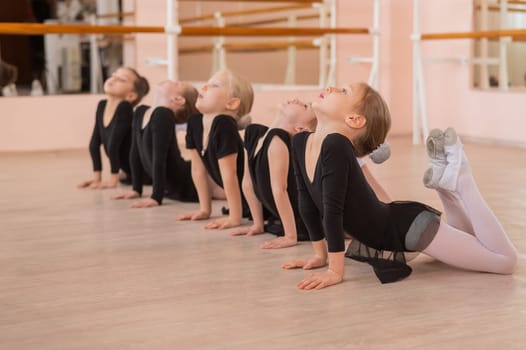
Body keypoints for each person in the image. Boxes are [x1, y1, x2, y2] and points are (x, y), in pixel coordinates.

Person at [283, 82, 518, 289]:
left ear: (354, 120)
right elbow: (307, 203)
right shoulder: (301, 142)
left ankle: (462, 180)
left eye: (344, 91)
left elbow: (332, 211)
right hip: (395, 225)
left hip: (409, 229)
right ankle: (445, 188)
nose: (331, 88)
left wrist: (335, 270)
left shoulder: (336, 144)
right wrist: (318, 255)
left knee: (506, 262)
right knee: (468, 239)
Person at [232, 98, 391, 249]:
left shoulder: (278, 140)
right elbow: (247, 184)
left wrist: (290, 236)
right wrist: (258, 224)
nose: (297, 100)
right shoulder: (254, 133)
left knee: (360, 225)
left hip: (304, 217)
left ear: (300, 129)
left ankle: (390, 217)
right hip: (292, 214)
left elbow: (280, 190)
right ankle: (388, 216)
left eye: (304, 106)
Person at [177, 69, 252, 229]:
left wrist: (234, 217)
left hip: (258, 197)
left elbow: (230, 175)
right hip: (243, 199)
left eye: (214, 85)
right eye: (207, 82)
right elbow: (198, 170)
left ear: (232, 103)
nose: (204, 87)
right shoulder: (195, 122)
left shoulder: (223, 124)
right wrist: (205, 209)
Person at [110, 80, 199, 207]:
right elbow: (135, 153)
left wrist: (156, 197)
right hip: (177, 182)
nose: (171, 80)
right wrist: (136, 189)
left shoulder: (163, 114)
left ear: (178, 99)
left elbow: (159, 158)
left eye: (177, 84)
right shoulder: (141, 111)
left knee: (230, 189)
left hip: (188, 182)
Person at [77, 67, 149, 189]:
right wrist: (96, 178)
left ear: (131, 96)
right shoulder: (102, 105)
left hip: (145, 172)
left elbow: (113, 146)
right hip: (129, 173)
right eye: (114, 75)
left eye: (121, 79)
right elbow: (94, 144)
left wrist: (113, 179)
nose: (113, 79)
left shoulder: (124, 108)